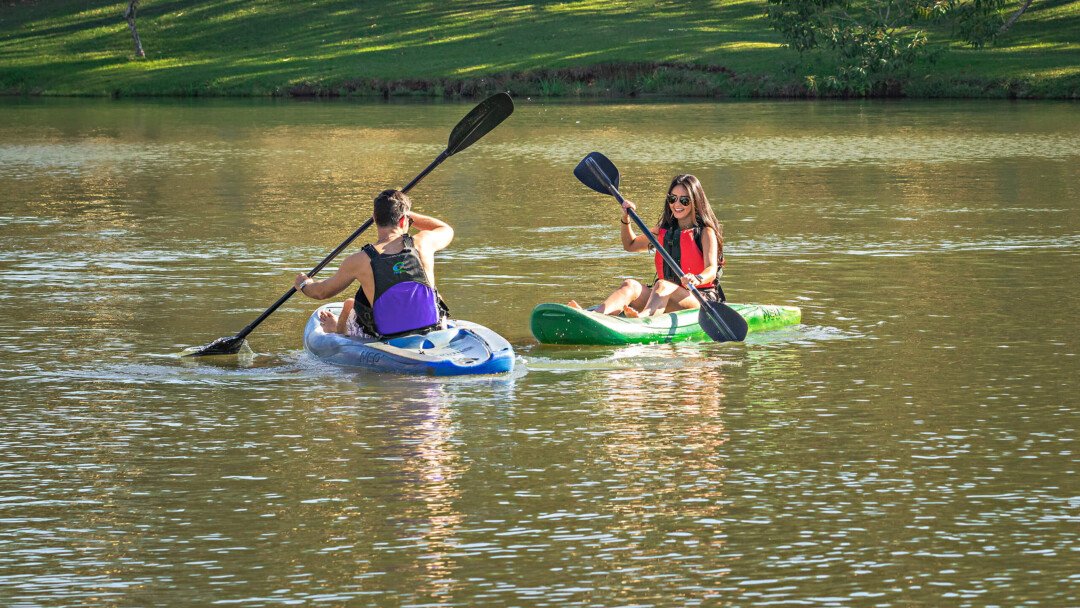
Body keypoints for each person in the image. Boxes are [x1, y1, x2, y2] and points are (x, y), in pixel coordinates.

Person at [293, 189, 453, 338]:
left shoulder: (359, 260)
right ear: (405, 220)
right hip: (432, 329)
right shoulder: (424, 242)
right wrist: (405, 212)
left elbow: (321, 292)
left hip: (386, 337)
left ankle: (338, 327)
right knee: (434, 295)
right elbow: (445, 228)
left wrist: (304, 284)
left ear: (375, 218)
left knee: (351, 304)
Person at [569, 174, 725, 318]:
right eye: (672, 199)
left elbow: (711, 270)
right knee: (630, 285)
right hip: (663, 295)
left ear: (695, 202)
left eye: (684, 200)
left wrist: (697, 278)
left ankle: (642, 319)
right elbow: (630, 245)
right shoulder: (662, 232)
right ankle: (595, 316)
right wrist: (626, 218)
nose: (677, 204)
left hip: (699, 298)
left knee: (662, 285)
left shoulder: (705, 232)